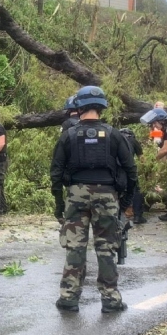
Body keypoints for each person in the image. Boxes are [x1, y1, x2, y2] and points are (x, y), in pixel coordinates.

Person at [50, 86, 137, 314]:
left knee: (75, 247)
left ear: (79, 107)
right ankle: (111, 300)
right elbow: (131, 171)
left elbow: (56, 173)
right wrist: (125, 203)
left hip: (76, 194)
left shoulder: (68, 135)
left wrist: (59, 204)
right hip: (107, 195)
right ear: (101, 107)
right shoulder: (114, 134)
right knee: (106, 249)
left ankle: (69, 298)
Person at [118, 127, 146, 223]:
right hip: (129, 167)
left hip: (116, 169)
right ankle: (138, 216)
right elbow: (142, 159)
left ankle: (118, 214)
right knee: (135, 189)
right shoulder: (133, 141)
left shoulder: (114, 139)